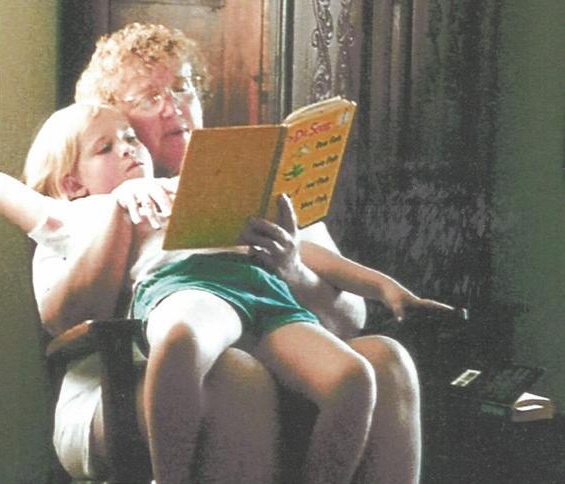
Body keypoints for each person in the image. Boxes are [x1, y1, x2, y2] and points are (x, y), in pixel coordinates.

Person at [0, 103, 451, 484]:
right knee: (185, 341)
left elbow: (316, 265)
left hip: (262, 293)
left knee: (358, 376)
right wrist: (119, 206)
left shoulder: (203, 185)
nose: (128, 148)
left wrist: (383, 286)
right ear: (72, 184)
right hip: (188, 290)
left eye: (129, 137)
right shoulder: (90, 210)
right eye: (107, 146)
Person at [72, 22, 454, 483]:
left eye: (184, 86)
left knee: (387, 358)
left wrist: (292, 267)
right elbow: (69, 312)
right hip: (166, 359)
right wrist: (121, 209)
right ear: (114, 118)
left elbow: (351, 318)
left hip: (278, 330)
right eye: (150, 97)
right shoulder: (105, 196)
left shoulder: (253, 174)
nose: (175, 106)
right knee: (236, 372)